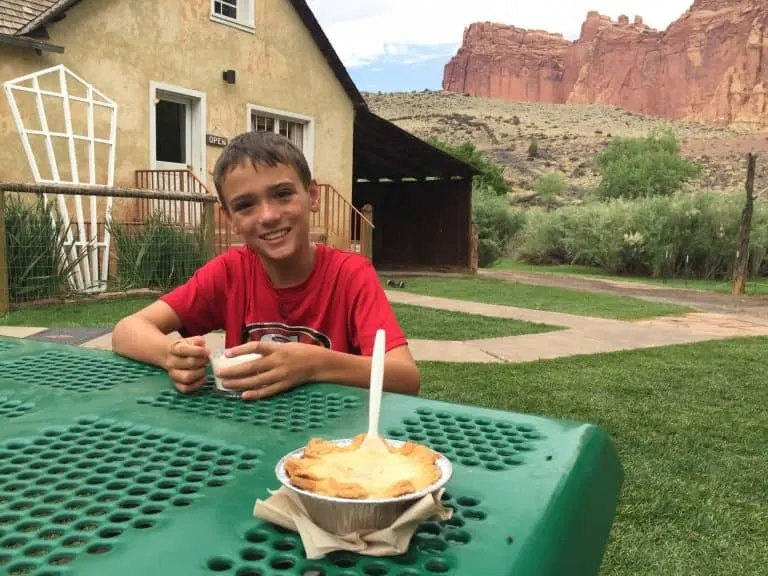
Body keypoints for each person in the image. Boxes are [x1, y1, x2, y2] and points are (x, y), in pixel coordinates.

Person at [111, 131, 420, 400]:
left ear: (312, 195)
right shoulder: (231, 272)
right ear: (231, 219)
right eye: (245, 205)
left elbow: (405, 377)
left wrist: (313, 364)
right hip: (248, 433)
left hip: (333, 442)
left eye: (282, 194)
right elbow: (127, 330)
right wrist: (170, 356)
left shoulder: (350, 275)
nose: (268, 216)